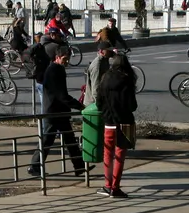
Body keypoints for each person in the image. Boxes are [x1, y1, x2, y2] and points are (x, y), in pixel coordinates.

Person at [29, 44, 86, 177]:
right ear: (57, 57)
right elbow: (62, 95)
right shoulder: (54, 70)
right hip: (54, 112)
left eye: (68, 59)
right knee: (48, 140)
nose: (67, 62)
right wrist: (79, 106)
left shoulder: (56, 69)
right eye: (65, 59)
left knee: (69, 139)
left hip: (59, 111)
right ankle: (34, 166)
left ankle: (79, 166)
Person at [95, 54, 137, 198]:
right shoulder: (127, 80)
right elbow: (133, 106)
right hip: (125, 123)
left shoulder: (105, 78)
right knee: (120, 155)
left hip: (109, 122)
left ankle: (107, 185)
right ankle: (116, 188)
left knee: (108, 153)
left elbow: (98, 102)